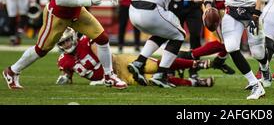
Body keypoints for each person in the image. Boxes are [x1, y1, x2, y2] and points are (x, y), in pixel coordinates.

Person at [55, 28, 213, 87]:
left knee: (157, 66)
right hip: (119, 78)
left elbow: (105, 54)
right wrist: (65, 78)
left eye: (68, 39)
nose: (67, 44)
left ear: (74, 37)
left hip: (120, 64)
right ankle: (194, 82)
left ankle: (196, 64)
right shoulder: (64, 60)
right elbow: (67, 75)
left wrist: (107, 75)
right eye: (63, 42)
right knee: (155, 80)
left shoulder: (85, 41)